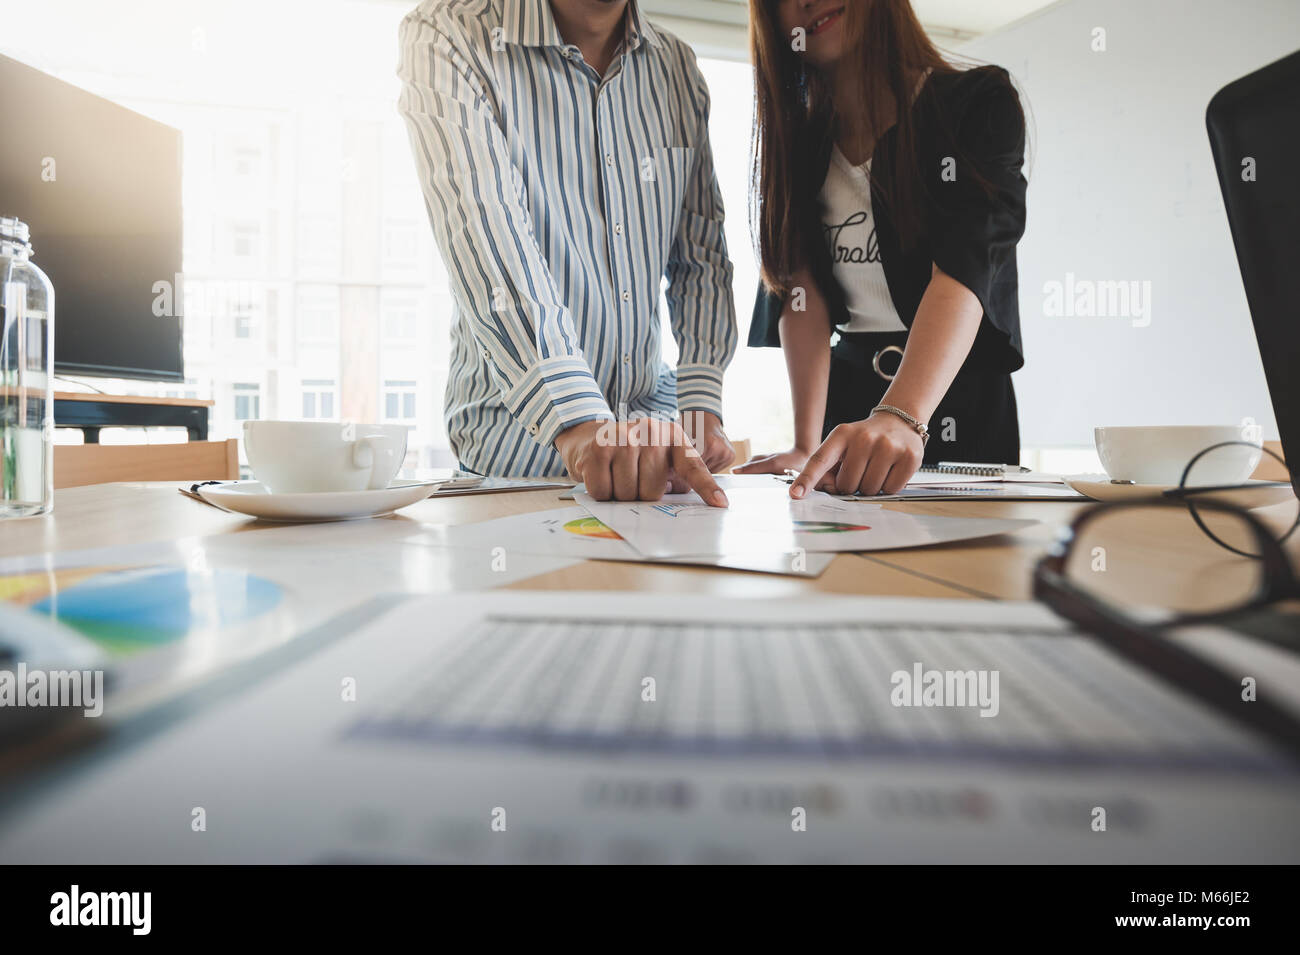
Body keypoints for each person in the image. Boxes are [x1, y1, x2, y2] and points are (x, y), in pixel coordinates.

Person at [397, 0, 737, 505]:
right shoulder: (449, 33)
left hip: (659, 469)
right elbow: (485, 234)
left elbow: (701, 256)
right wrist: (580, 423)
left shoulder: (677, 68)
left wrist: (699, 405)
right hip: (517, 469)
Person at [735, 0, 1029, 498]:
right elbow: (800, 293)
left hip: (956, 399)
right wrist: (806, 443)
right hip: (848, 404)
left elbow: (963, 268)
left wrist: (901, 415)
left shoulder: (976, 102)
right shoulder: (800, 143)